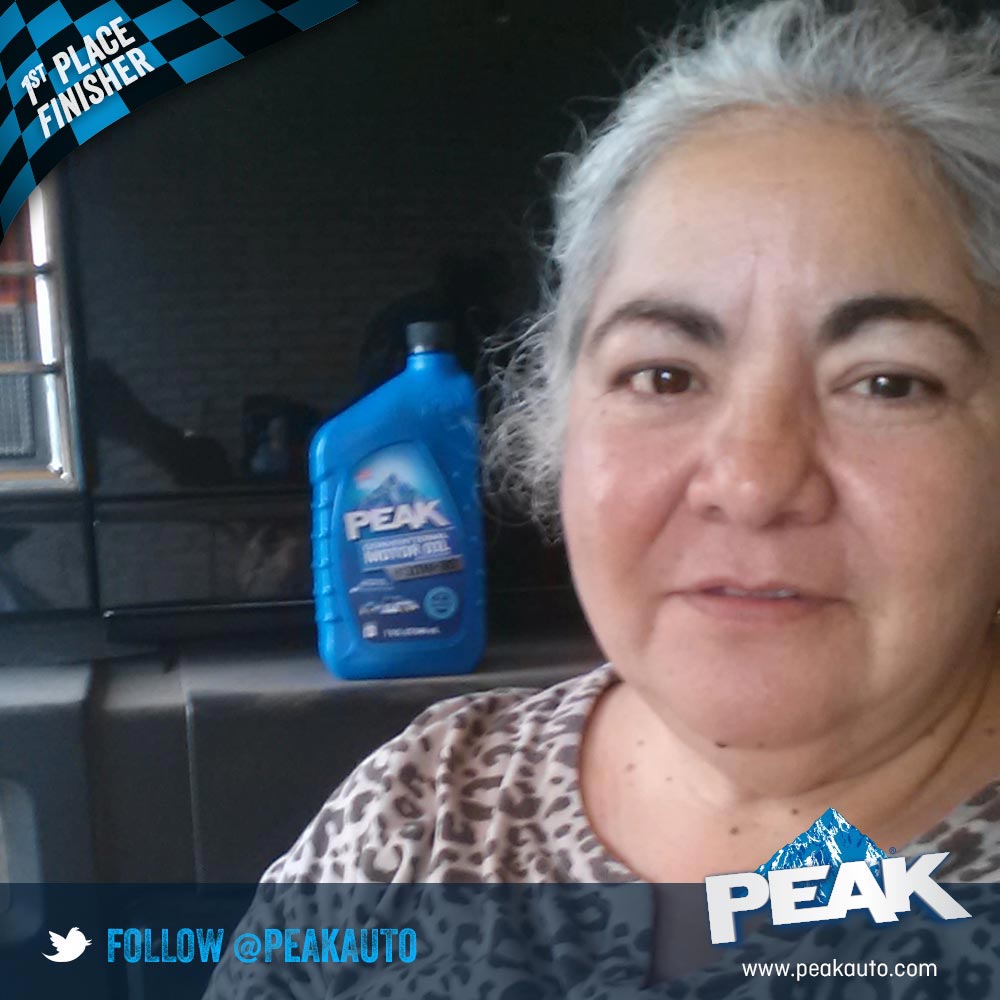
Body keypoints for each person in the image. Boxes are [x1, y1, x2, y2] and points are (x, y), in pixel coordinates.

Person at [206, 1, 1000, 995]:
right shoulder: (426, 806)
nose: (752, 483)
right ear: (560, 420)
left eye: (887, 382)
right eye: (663, 375)